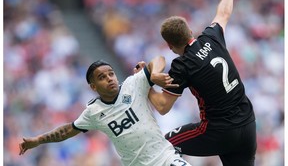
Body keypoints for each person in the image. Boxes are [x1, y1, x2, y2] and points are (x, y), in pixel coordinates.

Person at [148, 0, 257, 166]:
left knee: (162, 145)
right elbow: (223, 13)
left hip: (218, 131)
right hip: (248, 126)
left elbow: (162, 107)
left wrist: (146, 84)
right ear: (190, 31)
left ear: (169, 45)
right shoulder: (211, 37)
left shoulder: (182, 65)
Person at [19, 56, 192, 166]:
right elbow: (66, 130)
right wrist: (38, 140)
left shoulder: (134, 84)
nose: (109, 78)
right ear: (93, 87)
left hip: (166, 157)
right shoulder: (93, 112)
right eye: (102, 77)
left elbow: (159, 59)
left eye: (111, 74)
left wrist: (153, 74)